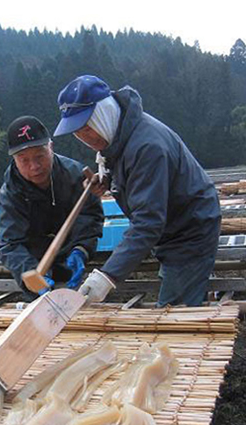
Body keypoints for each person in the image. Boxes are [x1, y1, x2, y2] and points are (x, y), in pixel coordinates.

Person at [53, 75, 221, 307]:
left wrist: (107, 275)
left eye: (86, 128)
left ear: (103, 115)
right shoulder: (121, 134)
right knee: (179, 289)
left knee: (174, 313)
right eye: (77, 132)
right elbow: (130, 172)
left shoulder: (147, 146)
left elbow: (148, 222)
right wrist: (108, 178)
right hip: (171, 229)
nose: (84, 138)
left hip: (189, 230)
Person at [0, 115, 104, 300]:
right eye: (24, 160)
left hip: (70, 254)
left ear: (51, 147)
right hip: (35, 264)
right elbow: (9, 244)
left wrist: (81, 249)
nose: (34, 166)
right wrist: (30, 272)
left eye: (40, 156)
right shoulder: (12, 192)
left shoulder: (75, 175)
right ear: (14, 160)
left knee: (78, 309)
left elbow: (90, 216)